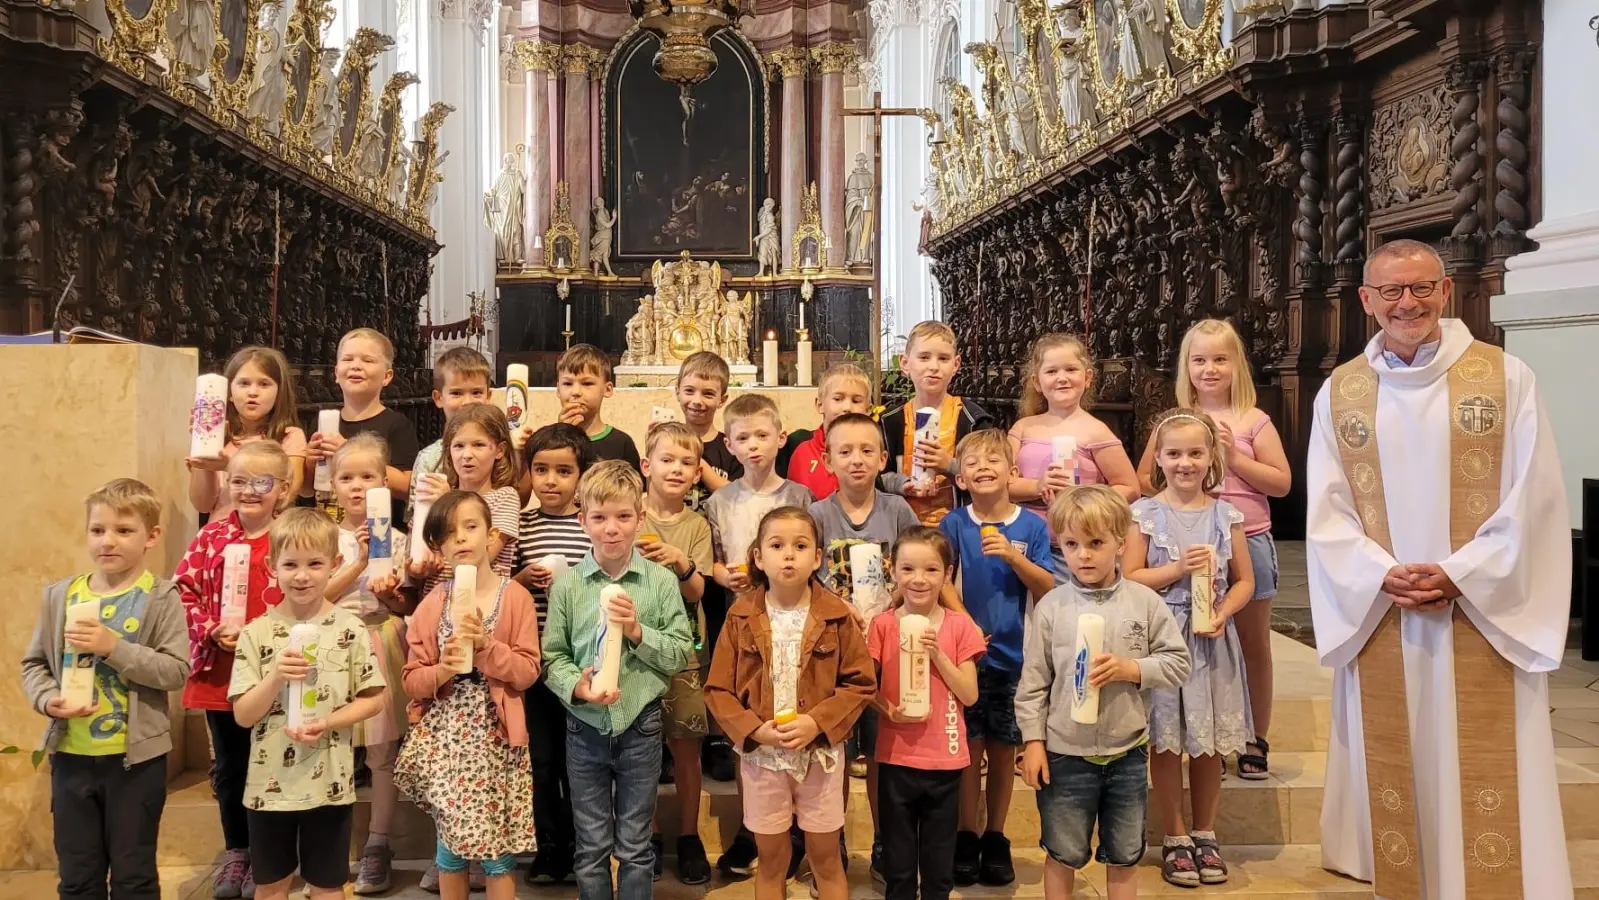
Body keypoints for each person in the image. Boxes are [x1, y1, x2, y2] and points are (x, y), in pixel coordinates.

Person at [1307, 239, 1573, 898]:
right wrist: (1377, 573)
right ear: (1366, 301)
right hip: (1384, 609)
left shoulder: (1503, 377)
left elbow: (1533, 497)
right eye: (1391, 291)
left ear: (1445, 292)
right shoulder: (1341, 391)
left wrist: (1461, 573)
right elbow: (1326, 506)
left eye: (1421, 287)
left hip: (1478, 606)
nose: (1407, 302)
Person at [1017, 485, 1190, 900]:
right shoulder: (1053, 607)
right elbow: (1033, 684)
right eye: (1072, 544)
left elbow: (1178, 662)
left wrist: (1132, 669)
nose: (1084, 555)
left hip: (1126, 752)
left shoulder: (1144, 603)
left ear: (1120, 542)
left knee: (1124, 854)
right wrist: (1034, 742)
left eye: (1095, 543)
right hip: (1064, 754)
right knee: (1062, 851)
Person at [22, 479, 191, 900]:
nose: (107, 541)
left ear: (151, 536)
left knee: (134, 876)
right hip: (72, 759)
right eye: (98, 530)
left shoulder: (161, 597)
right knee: (78, 876)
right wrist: (47, 699)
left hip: (135, 763)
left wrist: (113, 648)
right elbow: (34, 665)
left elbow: (175, 671)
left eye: (123, 530)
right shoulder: (60, 596)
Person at [1137, 319, 1291, 779]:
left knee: (1250, 644)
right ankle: (1205, 738)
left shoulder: (1252, 419)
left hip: (1247, 538)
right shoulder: (1174, 422)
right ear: (1186, 366)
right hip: (1186, 538)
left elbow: (1282, 483)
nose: (1209, 369)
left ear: (1236, 365)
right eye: (1199, 360)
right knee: (1193, 643)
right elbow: (1145, 479)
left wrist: (1235, 458)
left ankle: (1253, 737)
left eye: (1220, 359)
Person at [540, 461, 695, 900]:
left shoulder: (661, 582)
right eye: (600, 517)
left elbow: (682, 650)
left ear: (640, 519)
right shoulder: (569, 585)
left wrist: (638, 633)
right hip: (583, 726)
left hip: (640, 726)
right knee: (590, 847)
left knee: (635, 844)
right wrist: (577, 685)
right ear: (581, 521)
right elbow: (553, 656)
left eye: (623, 517)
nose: (612, 529)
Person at [704, 507, 876, 900]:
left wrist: (817, 722)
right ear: (759, 557)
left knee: (826, 857)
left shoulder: (836, 616)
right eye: (777, 545)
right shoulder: (740, 616)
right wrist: (754, 729)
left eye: (800, 546)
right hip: (763, 759)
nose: (788, 555)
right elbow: (718, 690)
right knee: (771, 860)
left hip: (820, 757)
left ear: (817, 557)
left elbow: (860, 684)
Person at [228, 509, 388, 900]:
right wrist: (275, 676)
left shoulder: (350, 629)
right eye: (290, 565)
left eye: (315, 564)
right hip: (269, 787)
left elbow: (374, 698)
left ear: (334, 565)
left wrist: (330, 720)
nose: (302, 575)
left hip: (329, 785)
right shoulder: (256, 632)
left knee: (328, 884)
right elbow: (243, 715)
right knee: (271, 885)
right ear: (272, 567)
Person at [1124, 410, 1254, 887]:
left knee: (1207, 741)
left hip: (1211, 640)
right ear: (1158, 458)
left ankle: (1205, 830)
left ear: (1211, 457)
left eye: (1195, 453)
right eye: (1174, 454)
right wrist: (1176, 569)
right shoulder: (1145, 513)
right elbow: (1132, 576)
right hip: (1164, 637)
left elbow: (1245, 581)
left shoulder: (1226, 514)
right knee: (1167, 738)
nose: (1185, 463)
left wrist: (1224, 612)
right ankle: (1174, 836)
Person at [395, 491, 541, 900]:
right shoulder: (432, 603)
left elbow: (528, 671)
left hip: (495, 739)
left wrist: (486, 646)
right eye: (448, 534)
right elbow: (411, 678)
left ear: (491, 534)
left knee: (496, 852)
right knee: (450, 848)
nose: (460, 539)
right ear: (439, 548)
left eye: (470, 527)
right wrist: (441, 668)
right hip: (446, 738)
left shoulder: (515, 597)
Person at [175, 440, 294, 899]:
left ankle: (275, 853)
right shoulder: (211, 538)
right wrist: (209, 628)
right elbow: (182, 591)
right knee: (230, 764)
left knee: (275, 762)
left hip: (275, 675)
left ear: (282, 489)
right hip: (221, 673)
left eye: (260, 482)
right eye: (238, 480)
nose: (247, 491)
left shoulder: (291, 537)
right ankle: (237, 851)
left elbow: (309, 592)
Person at [704, 393, 816, 876]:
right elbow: (711, 555)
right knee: (750, 727)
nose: (753, 446)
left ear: (780, 438)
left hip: (792, 623)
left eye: (762, 436)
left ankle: (795, 830)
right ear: (727, 444)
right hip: (742, 625)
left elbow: (813, 553)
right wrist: (719, 574)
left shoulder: (799, 496)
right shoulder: (719, 501)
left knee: (790, 717)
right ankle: (753, 831)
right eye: (743, 438)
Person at [938, 429, 1055, 885]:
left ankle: (996, 835)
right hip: (967, 657)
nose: (983, 467)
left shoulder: (1031, 527)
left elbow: (1046, 587)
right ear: (961, 477)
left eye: (993, 460)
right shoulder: (953, 524)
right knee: (968, 749)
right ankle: (966, 833)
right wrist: (966, 625)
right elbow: (942, 579)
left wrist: (1013, 558)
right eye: (972, 462)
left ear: (1013, 472)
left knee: (1005, 750)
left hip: (1015, 656)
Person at [809, 411, 920, 881]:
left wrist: (894, 598)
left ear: (883, 458)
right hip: (830, 654)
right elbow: (805, 575)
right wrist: (836, 605)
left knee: (880, 758)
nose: (857, 459)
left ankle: (883, 845)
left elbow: (919, 564)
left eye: (867, 451)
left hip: (887, 651)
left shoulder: (897, 512)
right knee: (831, 756)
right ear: (828, 460)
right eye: (845, 451)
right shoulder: (816, 515)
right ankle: (827, 853)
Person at [867, 528, 984, 900]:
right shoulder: (883, 625)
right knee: (898, 869)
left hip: (945, 761)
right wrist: (889, 710)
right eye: (908, 569)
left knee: (937, 869)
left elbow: (969, 694)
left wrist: (938, 655)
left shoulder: (960, 626)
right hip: (896, 759)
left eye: (931, 570)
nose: (919, 579)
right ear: (894, 571)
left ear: (947, 574)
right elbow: (864, 687)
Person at [324, 435, 411, 894]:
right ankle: (329, 845)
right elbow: (313, 599)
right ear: (332, 484)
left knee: (381, 752)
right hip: (332, 645)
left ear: (385, 483)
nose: (357, 487)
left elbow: (404, 606)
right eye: (346, 478)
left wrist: (393, 596)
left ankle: (378, 845)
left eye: (368, 477)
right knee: (332, 746)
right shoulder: (322, 537)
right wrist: (358, 563)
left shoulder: (397, 541)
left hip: (381, 640)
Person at [512, 423, 595, 886]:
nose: (550, 481)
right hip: (535, 665)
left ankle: (583, 846)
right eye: (541, 469)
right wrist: (523, 581)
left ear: (582, 476)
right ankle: (548, 846)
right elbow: (503, 589)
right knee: (541, 761)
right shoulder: (520, 527)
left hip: (580, 665)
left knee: (577, 762)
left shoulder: (590, 526)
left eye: (564, 471)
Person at [638, 423, 717, 884]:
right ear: (647, 466)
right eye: (667, 460)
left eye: (687, 463)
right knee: (641, 749)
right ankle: (645, 835)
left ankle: (689, 834)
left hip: (685, 652)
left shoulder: (696, 525)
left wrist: (680, 561)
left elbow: (697, 591)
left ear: (696, 473)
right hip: (635, 651)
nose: (676, 469)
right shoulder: (629, 515)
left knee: (686, 749)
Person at [1008, 334, 1138, 579]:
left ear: (1087, 377)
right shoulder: (1023, 428)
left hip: (1071, 546)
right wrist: (1037, 486)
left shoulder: (1096, 431)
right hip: (1023, 540)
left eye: (1071, 369)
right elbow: (1003, 484)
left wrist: (1085, 497)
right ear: (1037, 382)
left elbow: (1129, 488)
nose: (1062, 378)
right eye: (1052, 371)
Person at [674, 351, 743, 782]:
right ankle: (675, 737)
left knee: (719, 653)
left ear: (722, 397)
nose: (697, 400)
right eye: (690, 390)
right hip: (678, 568)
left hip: (720, 568)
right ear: (677, 391)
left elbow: (740, 495)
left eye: (708, 393)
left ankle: (719, 735)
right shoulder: (666, 440)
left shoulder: (727, 447)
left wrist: (705, 470)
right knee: (682, 655)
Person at [881, 321, 993, 525]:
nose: (933, 367)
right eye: (924, 357)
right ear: (905, 364)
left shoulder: (972, 419)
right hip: (904, 527)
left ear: (955, 365)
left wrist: (949, 465)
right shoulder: (890, 421)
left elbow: (989, 475)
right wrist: (903, 484)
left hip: (958, 525)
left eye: (943, 358)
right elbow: (878, 475)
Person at [302, 328, 421, 508]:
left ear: (387, 376)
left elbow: (408, 486)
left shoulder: (397, 425)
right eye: (348, 359)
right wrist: (311, 463)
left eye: (368, 360)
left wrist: (349, 453)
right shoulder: (321, 422)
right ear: (336, 373)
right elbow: (307, 490)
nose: (355, 365)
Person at [415, 404, 521, 601]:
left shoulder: (504, 497)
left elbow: (481, 558)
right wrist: (417, 568)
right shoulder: (437, 498)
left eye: (478, 445)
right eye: (459, 446)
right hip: (436, 602)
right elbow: (422, 557)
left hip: (483, 601)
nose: (467, 455)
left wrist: (448, 504)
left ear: (499, 450)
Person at [188, 346, 308, 519]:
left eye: (264, 384)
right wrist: (201, 444)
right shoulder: (219, 439)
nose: (252, 392)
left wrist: (231, 467)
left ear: (279, 391)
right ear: (228, 392)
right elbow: (202, 504)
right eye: (243, 383)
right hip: (222, 538)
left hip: (268, 538)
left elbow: (286, 495)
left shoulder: (289, 437)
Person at [412, 347, 492, 525]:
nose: (467, 401)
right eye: (456, 393)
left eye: (476, 392)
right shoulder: (429, 459)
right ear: (438, 398)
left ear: (489, 395)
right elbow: (418, 521)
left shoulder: (496, 451)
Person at [782, 363, 874, 501]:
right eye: (838, 399)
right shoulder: (800, 449)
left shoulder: (871, 452)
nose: (847, 407)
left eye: (856, 400)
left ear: (868, 410)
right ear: (820, 405)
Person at [555, 344, 641, 472]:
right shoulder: (551, 442)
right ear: (558, 389)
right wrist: (563, 435)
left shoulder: (621, 443)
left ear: (607, 389)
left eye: (587, 383)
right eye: (567, 383)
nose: (576, 392)